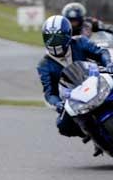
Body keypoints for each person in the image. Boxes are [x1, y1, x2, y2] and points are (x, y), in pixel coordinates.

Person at [37, 15, 113, 153]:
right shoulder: (44, 65)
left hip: (98, 81)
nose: (54, 42)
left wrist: (109, 64)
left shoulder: (80, 42)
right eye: (50, 38)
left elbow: (101, 52)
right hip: (74, 97)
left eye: (58, 37)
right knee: (62, 125)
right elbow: (50, 93)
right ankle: (90, 134)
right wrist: (57, 104)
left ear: (67, 35)